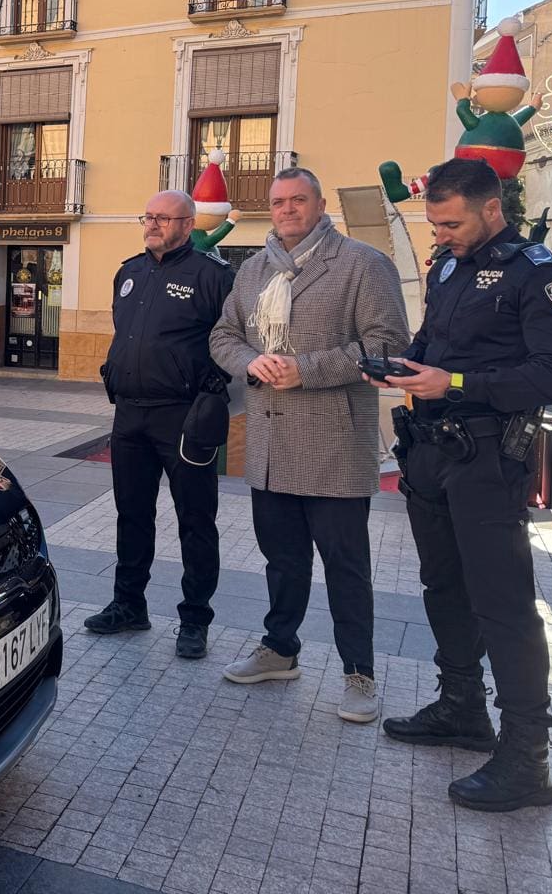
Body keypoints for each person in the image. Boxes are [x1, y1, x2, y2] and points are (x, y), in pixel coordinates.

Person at [365, 157, 552, 812]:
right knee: (444, 586)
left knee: (504, 604)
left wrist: (455, 385)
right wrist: (405, 368)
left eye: (451, 223)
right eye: (434, 224)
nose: (441, 235)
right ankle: (462, 707)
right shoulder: (453, 266)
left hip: (489, 458)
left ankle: (527, 761)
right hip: (434, 452)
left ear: (492, 208)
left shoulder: (540, 273)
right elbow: (434, 343)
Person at [209, 167, 409, 723]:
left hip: (335, 443)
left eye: (299, 200)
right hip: (270, 445)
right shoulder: (252, 270)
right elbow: (223, 336)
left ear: (320, 204)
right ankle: (280, 650)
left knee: (347, 567)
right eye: (278, 202)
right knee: (282, 560)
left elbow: (388, 345)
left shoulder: (363, 265)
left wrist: (307, 369)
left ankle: (359, 674)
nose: (287, 210)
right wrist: (252, 361)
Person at [88, 189, 234, 659]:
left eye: (163, 218)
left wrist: (209, 391)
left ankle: (195, 619)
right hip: (130, 414)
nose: (152, 224)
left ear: (188, 226)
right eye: (148, 216)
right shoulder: (128, 272)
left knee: (195, 520)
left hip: (183, 417)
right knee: (132, 515)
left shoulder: (212, 277)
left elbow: (233, 340)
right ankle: (129, 605)